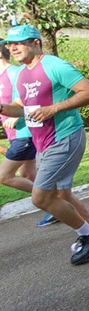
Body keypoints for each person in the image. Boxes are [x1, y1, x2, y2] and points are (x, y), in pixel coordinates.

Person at [1, 25, 89, 265]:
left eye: (19, 42)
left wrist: (54, 108)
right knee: (62, 195)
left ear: (36, 42)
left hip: (65, 137)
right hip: (43, 142)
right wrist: (3, 108)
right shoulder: (22, 74)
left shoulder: (53, 65)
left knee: (40, 197)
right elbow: (21, 106)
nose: (13, 47)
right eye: (10, 44)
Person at [0, 41, 38, 208]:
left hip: (24, 132)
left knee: (4, 176)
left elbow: (29, 95)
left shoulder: (14, 72)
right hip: (14, 134)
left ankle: (53, 199)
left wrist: (17, 118)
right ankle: (58, 201)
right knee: (28, 174)